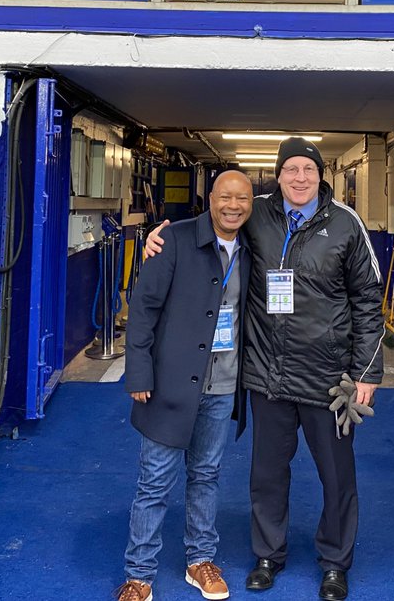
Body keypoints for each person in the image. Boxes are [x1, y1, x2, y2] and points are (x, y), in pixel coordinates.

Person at [146, 137, 384, 601]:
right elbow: (217, 218)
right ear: (278, 175)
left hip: (329, 379)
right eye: (291, 169)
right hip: (268, 375)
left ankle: (335, 562)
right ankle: (267, 555)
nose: (300, 178)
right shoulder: (258, 213)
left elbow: (369, 302)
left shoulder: (345, 224)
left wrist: (367, 373)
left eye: (308, 170)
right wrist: (163, 233)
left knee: (337, 476)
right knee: (267, 473)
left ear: (320, 176)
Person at [116, 170, 254, 601]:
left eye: (243, 199)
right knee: (155, 480)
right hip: (171, 382)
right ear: (209, 199)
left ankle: (200, 560)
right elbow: (143, 309)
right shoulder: (173, 239)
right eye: (225, 197)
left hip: (224, 383)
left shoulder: (254, 247)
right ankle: (138, 575)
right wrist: (138, 372)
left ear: (253, 203)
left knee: (206, 475)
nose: (233, 206)